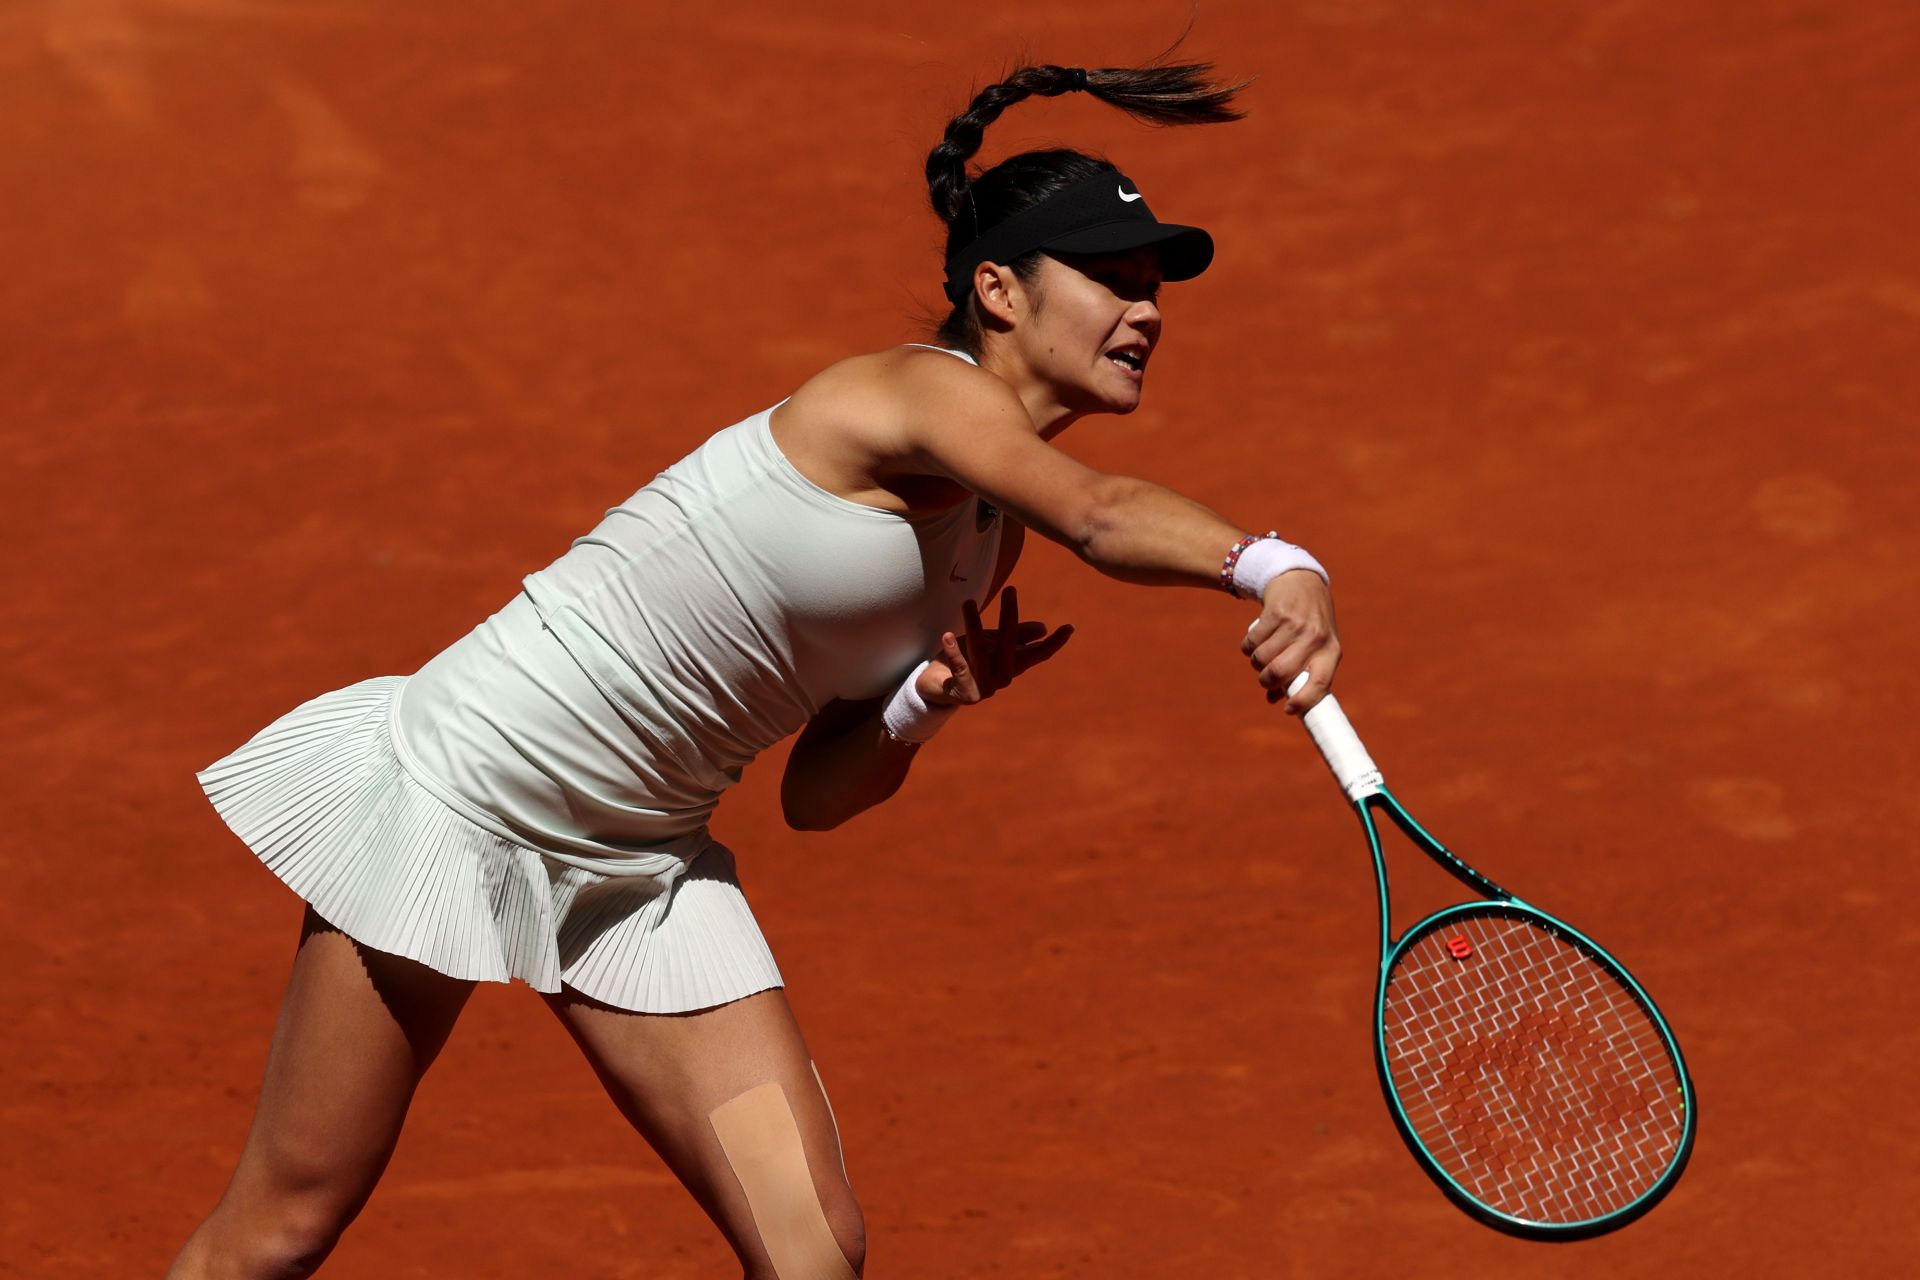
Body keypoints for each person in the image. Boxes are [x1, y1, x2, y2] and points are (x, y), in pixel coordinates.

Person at [170, 56, 1340, 1280]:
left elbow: (811, 794)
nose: (1146, 309)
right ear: (996, 290)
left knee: (811, 1250)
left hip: (635, 867)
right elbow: (1098, 514)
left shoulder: (980, 536)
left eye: (1153, 285)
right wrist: (1275, 562)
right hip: (466, 791)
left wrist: (919, 705)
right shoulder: (910, 395)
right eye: (1110, 277)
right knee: (285, 1223)